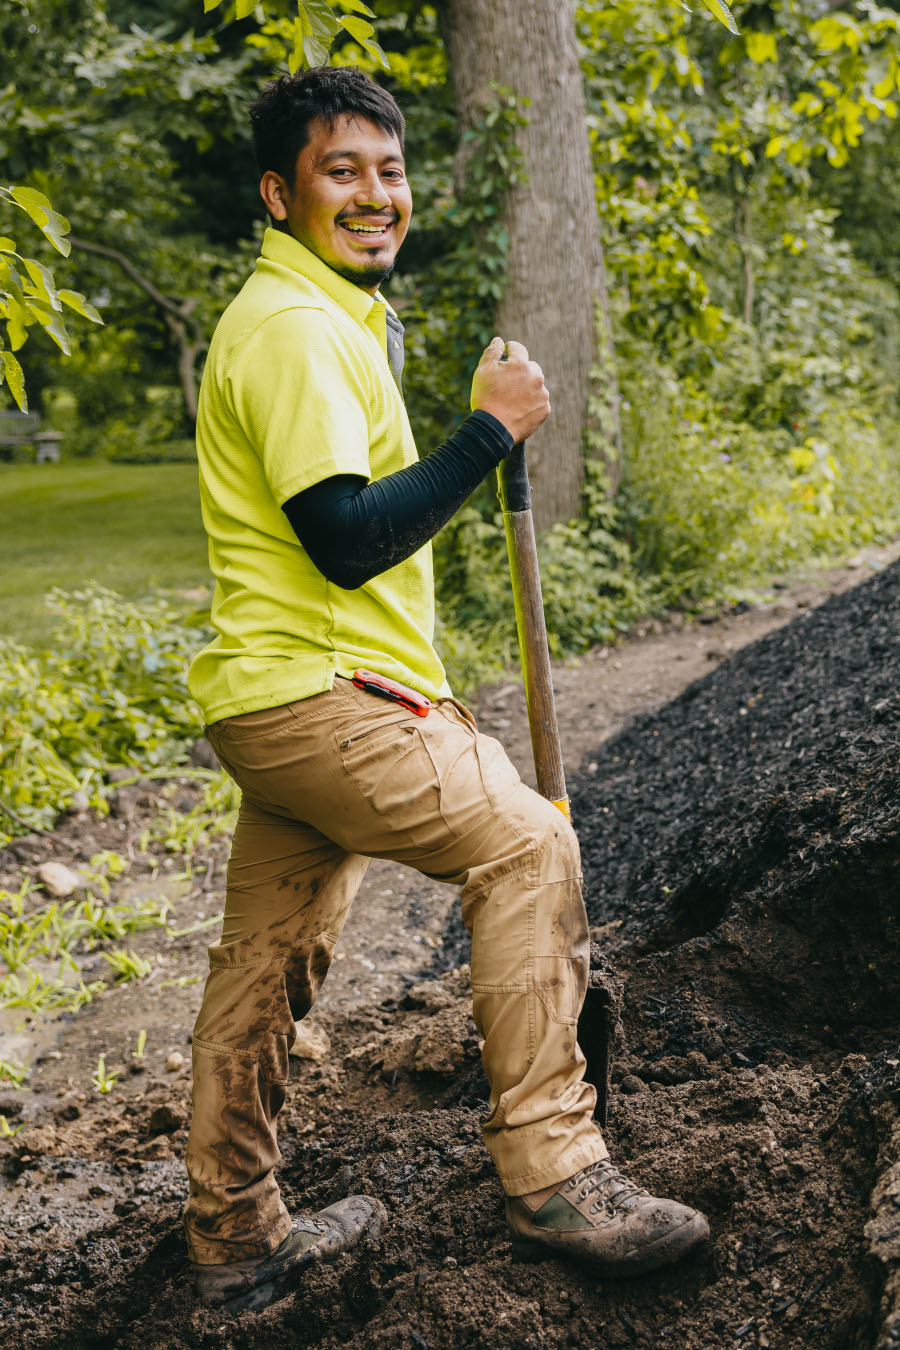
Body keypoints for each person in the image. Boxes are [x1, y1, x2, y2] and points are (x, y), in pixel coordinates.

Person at [183, 65, 709, 1315]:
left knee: (264, 965)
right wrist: (488, 435)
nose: (375, 195)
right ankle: (556, 1173)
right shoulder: (298, 331)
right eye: (340, 171)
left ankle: (235, 1235)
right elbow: (348, 537)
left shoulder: (310, 313)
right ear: (279, 192)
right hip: (327, 697)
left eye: (389, 169)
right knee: (528, 847)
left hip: (269, 703)